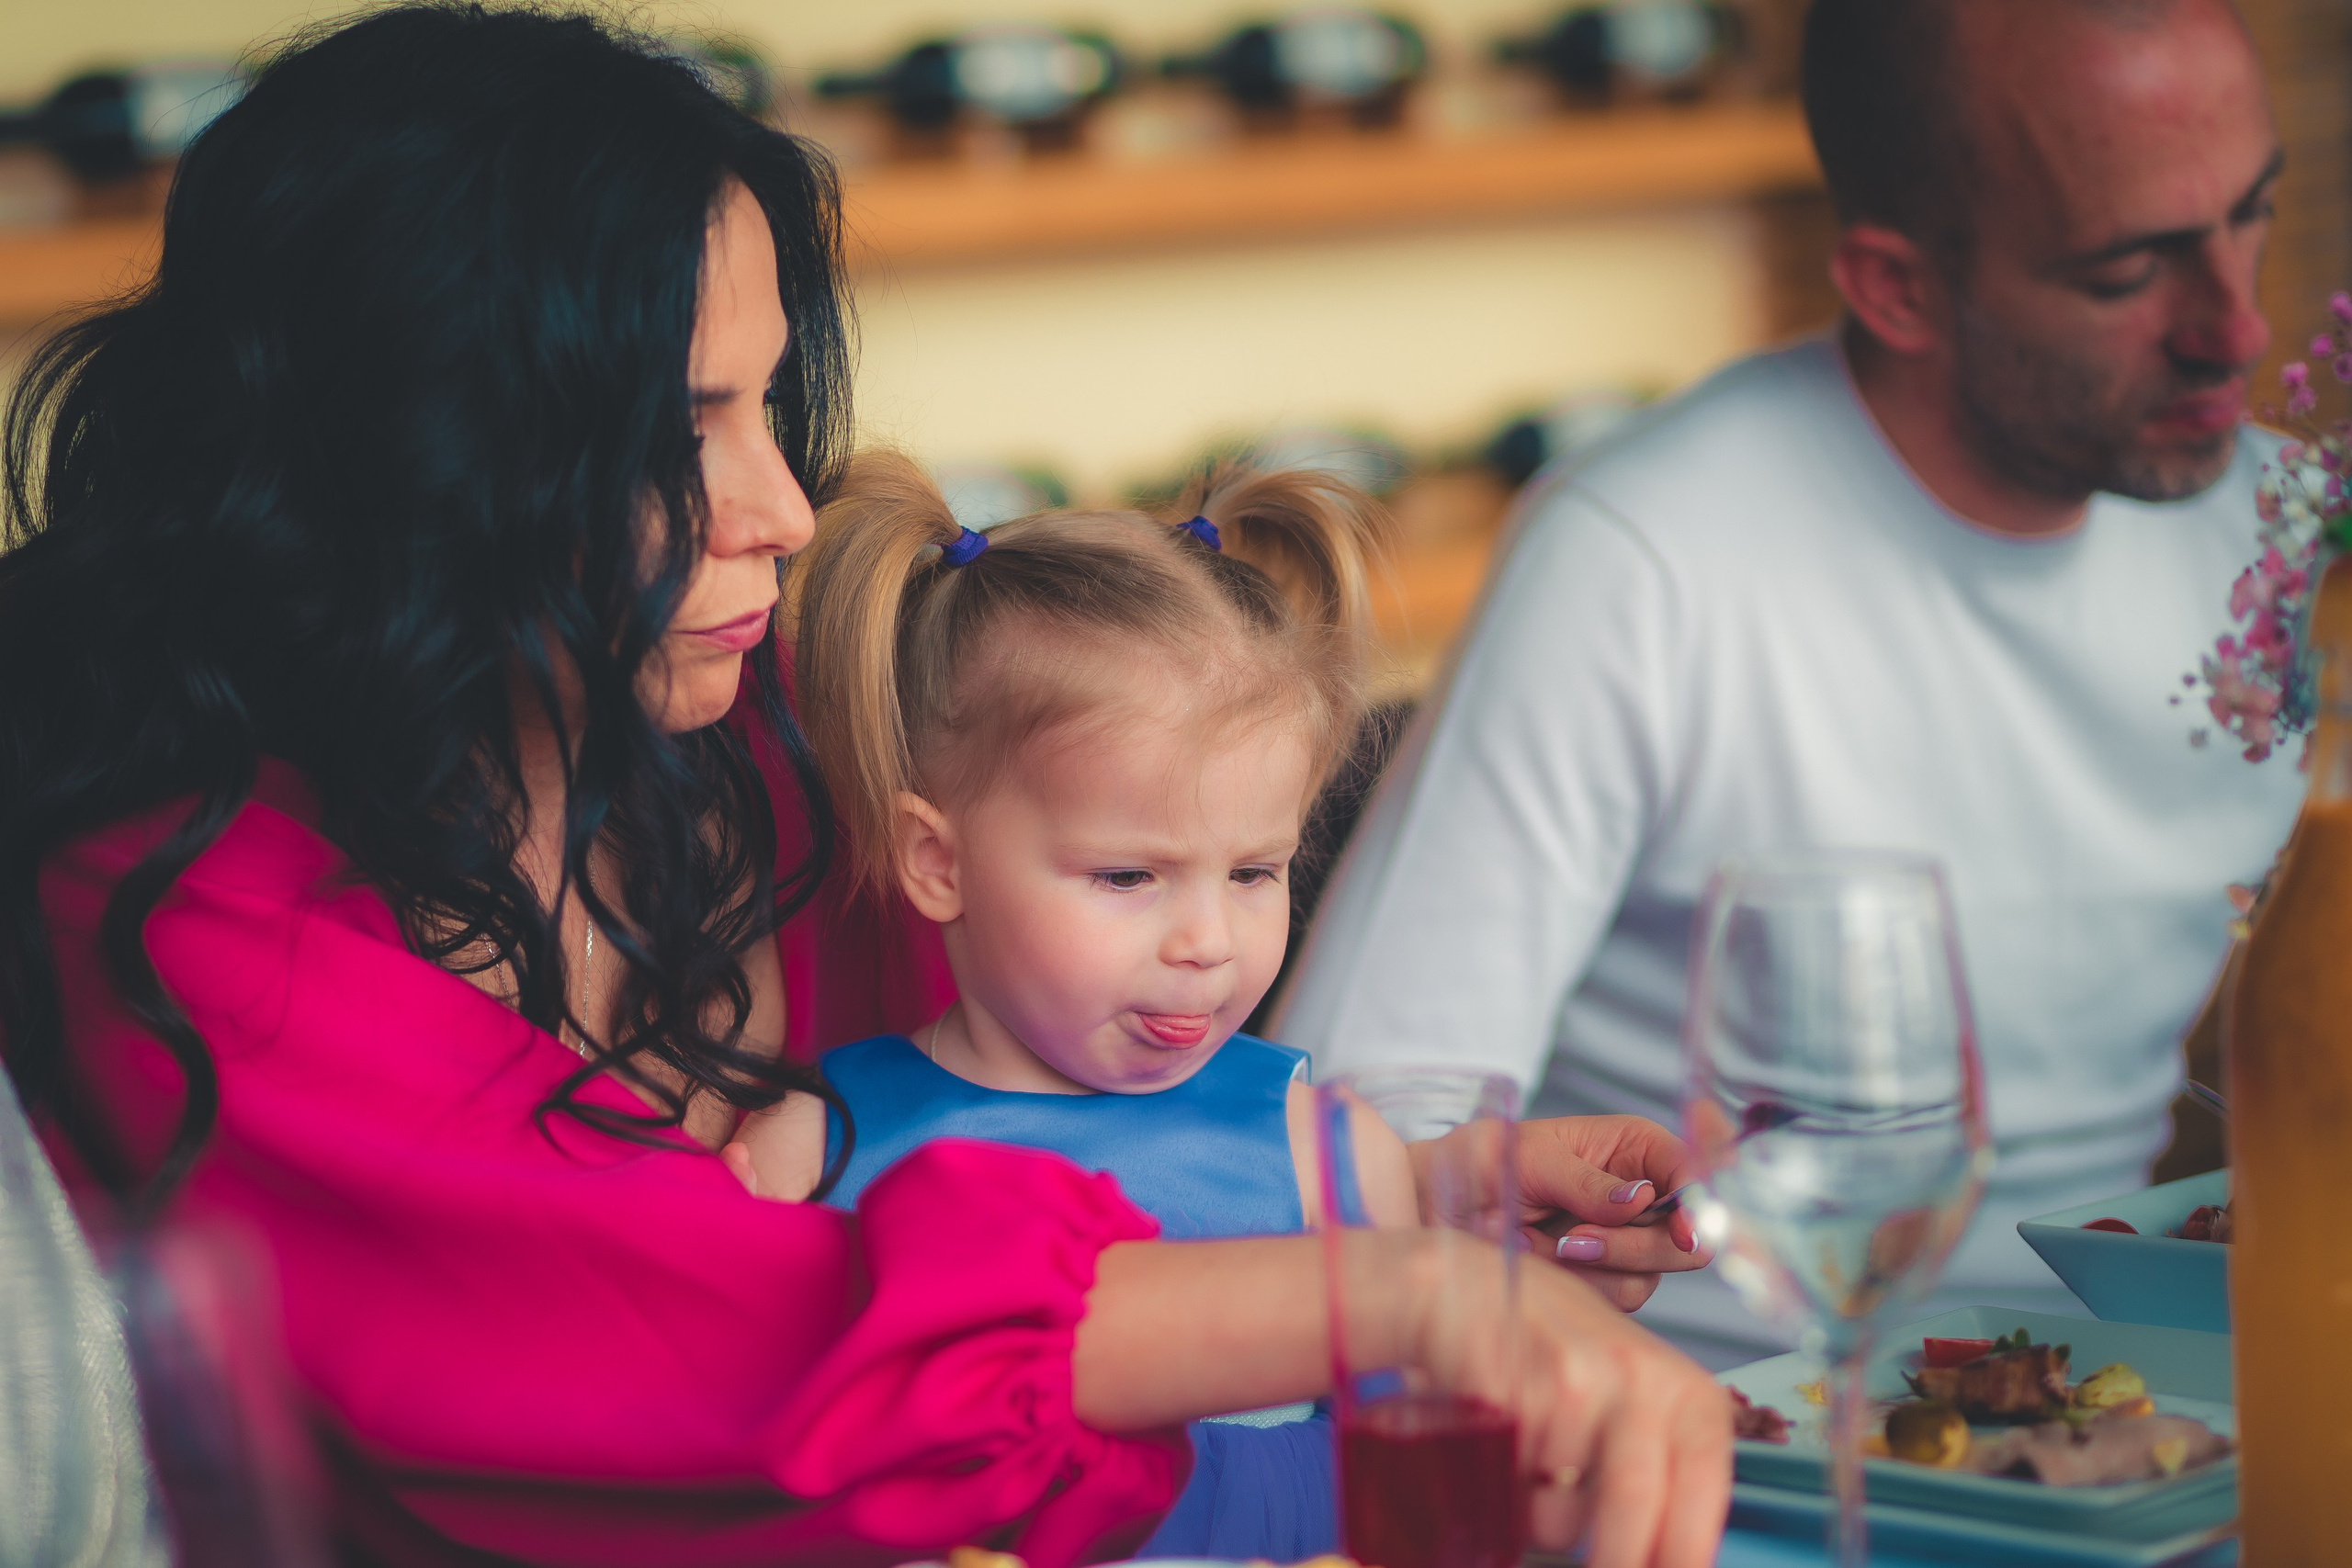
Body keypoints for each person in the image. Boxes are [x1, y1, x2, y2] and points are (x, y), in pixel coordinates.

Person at [0, 7, 1730, 1563]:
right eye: (683, 433)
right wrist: (1407, 1292)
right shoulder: (184, 909)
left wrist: (1433, 1200)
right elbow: (754, 1354)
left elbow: (1080, 1136)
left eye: (766, 407)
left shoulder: (759, 765)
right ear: (423, 458)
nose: (783, 509)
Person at [1280, 0, 2305, 1367]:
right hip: (1723, 1431)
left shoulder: (2290, 544)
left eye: (2256, 215)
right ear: (1896, 286)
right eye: (2129, 272)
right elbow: (1350, 1125)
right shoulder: (1644, 556)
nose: (2236, 326)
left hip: (2148, 1410)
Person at [725, 455, 1426, 1555]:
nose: (1206, 944)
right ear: (935, 861)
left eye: (1253, 873)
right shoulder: (807, 1158)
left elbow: (1393, 1486)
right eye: (1127, 877)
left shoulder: (1333, 1157)